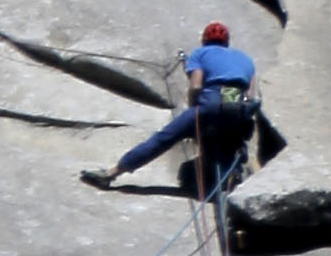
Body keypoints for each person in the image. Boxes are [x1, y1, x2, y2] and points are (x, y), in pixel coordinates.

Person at [82, 22, 257, 191]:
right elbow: (251, 96)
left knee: (163, 139)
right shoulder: (246, 61)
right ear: (227, 42)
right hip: (237, 108)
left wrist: (194, 108)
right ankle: (231, 176)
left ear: (204, 40)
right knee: (229, 143)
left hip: (210, 103)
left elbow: (196, 86)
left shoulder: (201, 54)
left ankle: (112, 174)